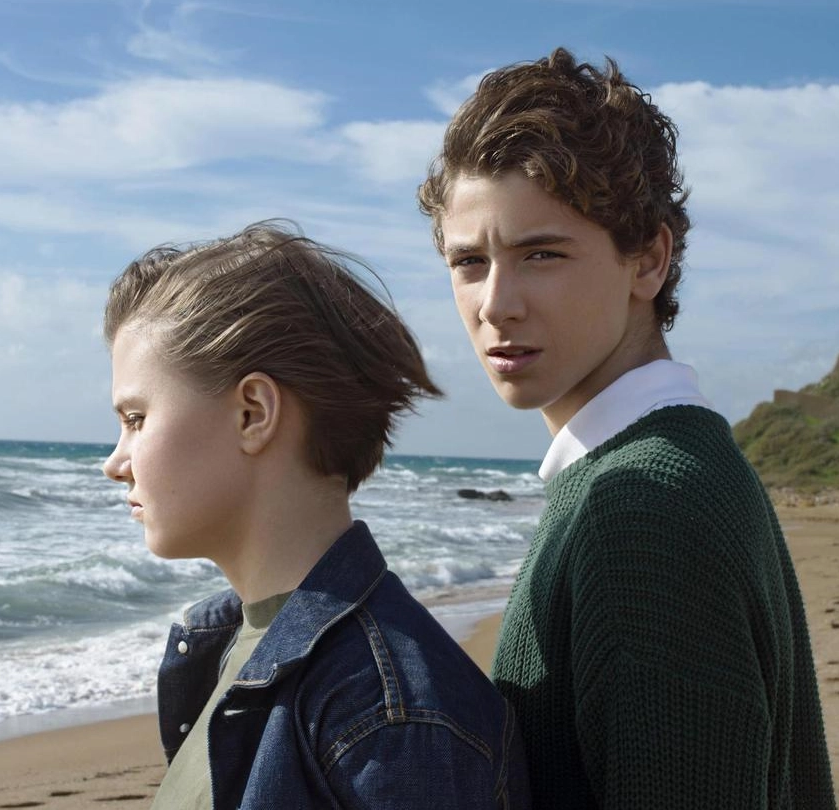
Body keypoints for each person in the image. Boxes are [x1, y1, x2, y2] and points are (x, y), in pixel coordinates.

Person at [416, 49, 837, 809]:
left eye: (540, 254)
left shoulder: (641, 510)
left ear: (647, 260)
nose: (496, 303)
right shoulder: (665, 467)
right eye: (470, 262)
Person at [100, 221, 529, 810]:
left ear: (253, 413)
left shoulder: (392, 717)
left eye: (136, 418)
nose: (115, 462)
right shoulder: (232, 645)